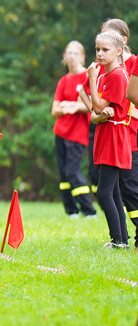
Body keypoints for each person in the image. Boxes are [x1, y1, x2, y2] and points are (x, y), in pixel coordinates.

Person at [86, 30, 131, 249]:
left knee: (103, 191)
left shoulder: (117, 76)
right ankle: (122, 240)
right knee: (112, 191)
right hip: (105, 135)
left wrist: (92, 79)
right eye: (97, 49)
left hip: (115, 137)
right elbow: (95, 112)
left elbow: (97, 105)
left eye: (105, 50)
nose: (100, 54)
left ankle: (118, 241)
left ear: (119, 51)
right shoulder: (104, 75)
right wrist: (97, 116)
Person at [51, 41, 97, 218]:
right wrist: (73, 105)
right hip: (60, 132)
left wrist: (74, 105)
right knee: (63, 175)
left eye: (75, 53)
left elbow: (93, 105)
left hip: (78, 133)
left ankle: (89, 210)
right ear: (64, 56)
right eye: (68, 53)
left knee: (72, 171)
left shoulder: (88, 77)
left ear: (83, 56)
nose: (71, 56)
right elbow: (55, 110)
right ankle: (71, 211)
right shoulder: (63, 81)